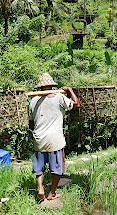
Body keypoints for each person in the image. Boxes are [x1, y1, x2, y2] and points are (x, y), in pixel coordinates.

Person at [28, 73, 79, 201]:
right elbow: (76, 104)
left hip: (39, 139)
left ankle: (40, 189)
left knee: (39, 168)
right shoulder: (59, 97)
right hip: (54, 140)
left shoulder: (33, 101)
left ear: (40, 87)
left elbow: (31, 122)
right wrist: (70, 90)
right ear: (52, 86)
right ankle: (51, 193)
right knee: (57, 168)